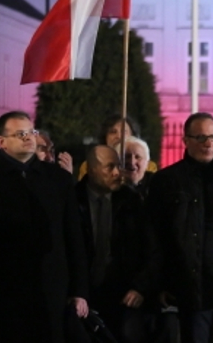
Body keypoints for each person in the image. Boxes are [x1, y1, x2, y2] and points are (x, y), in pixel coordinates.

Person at [0, 110, 89, 342]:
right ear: (2, 142)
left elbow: (73, 236)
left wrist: (79, 290)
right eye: (20, 134)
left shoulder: (58, 179)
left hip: (51, 288)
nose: (28, 138)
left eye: (31, 132)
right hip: (0, 289)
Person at [147, 112, 213, 343]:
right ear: (186, 141)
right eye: (201, 137)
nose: (208, 143)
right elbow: (157, 236)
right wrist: (161, 283)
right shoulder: (167, 181)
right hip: (191, 286)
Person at [75, 144, 155, 343]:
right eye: (109, 167)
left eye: (118, 166)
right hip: (86, 292)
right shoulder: (73, 199)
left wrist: (140, 287)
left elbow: (151, 247)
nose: (117, 172)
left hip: (123, 291)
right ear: (92, 169)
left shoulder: (131, 201)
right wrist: (76, 292)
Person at [123, 135, 154, 200]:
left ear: (147, 163)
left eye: (138, 157)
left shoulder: (157, 185)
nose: (132, 162)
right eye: (127, 156)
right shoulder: (112, 186)